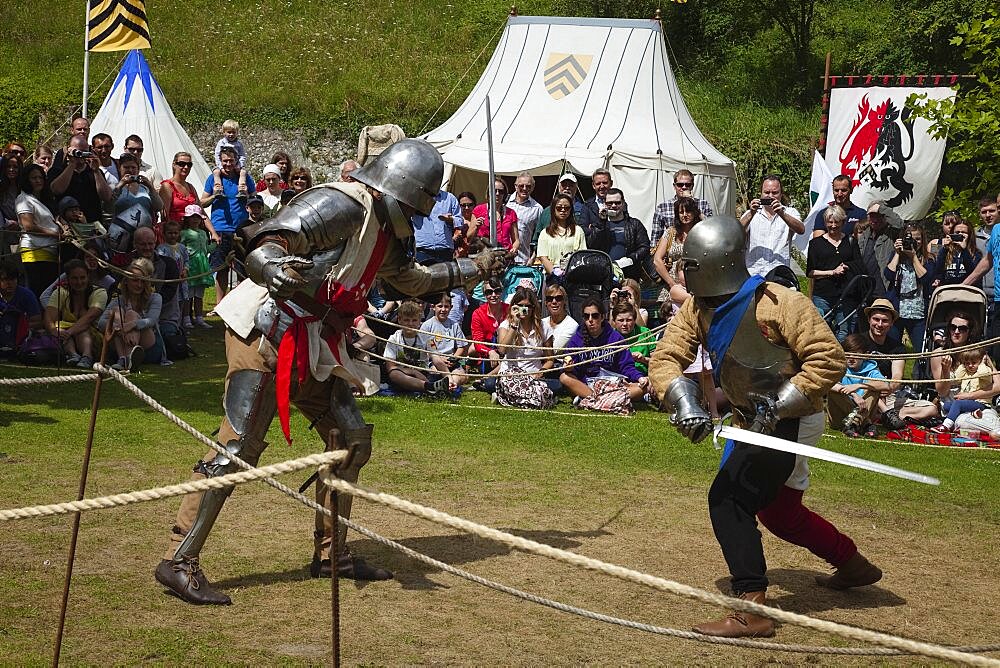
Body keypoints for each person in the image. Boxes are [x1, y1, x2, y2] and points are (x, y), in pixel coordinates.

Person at [154, 139, 506, 605]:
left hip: (315, 340)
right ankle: (180, 559)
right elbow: (265, 238)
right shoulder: (341, 203)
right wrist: (272, 266)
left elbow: (414, 281)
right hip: (267, 331)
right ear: (399, 190)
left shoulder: (384, 227)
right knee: (239, 446)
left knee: (349, 438)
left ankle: (331, 554)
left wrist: (474, 266)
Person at [649, 214, 881, 639]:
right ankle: (852, 564)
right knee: (778, 510)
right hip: (748, 418)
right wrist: (682, 401)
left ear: (717, 262)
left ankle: (750, 607)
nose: (687, 274)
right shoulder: (697, 309)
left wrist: (780, 403)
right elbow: (665, 359)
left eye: (693, 266)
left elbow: (827, 358)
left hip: (796, 414)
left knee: (729, 499)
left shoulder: (780, 303)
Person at [559, 298, 649, 403]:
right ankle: (602, 400)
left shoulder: (615, 338)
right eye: (586, 316)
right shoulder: (576, 340)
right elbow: (572, 370)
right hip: (587, 386)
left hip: (612, 385)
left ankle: (593, 400)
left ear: (602, 317)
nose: (590, 320)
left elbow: (626, 366)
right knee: (564, 377)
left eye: (595, 316)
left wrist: (639, 377)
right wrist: (569, 368)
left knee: (643, 387)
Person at [201, 146, 254, 299]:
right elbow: (202, 202)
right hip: (220, 228)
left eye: (231, 161)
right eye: (225, 161)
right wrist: (214, 197)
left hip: (241, 229)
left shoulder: (245, 178)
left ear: (237, 161)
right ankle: (219, 304)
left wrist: (246, 196)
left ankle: (240, 303)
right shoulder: (213, 179)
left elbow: (255, 199)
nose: (228, 164)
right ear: (220, 161)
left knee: (242, 268)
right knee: (221, 268)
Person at [806, 205, 861, 342]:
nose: (833, 225)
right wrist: (832, 272)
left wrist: (847, 266)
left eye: (837, 222)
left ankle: (840, 360)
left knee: (844, 332)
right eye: (830, 222)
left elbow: (859, 265)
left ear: (843, 222)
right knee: (820, 332)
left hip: (845, 295)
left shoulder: (851, 241)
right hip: (822, 296)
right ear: (825, 223)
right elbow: (810, 272)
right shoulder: (815, 244)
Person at [494, 287, 558, 402]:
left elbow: (550, 359)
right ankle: (533, 396)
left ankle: (510, 396)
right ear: (513, 306)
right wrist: (514, 325)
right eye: (520, 305)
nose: (524, 309)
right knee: (493, 383)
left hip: (534, 375)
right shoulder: (506, 325)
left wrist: (540, 372)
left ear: (533, 308)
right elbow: (502, 350)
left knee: (558, 385)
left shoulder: (543, 327)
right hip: (510, 374)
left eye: (528, 306)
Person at [98, 257, 162, 371]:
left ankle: (125, 360)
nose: (139, 285)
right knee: (117, 311)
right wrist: (119, 329)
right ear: (126, 281)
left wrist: (131, 325)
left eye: (142, 281)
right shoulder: (118, 300)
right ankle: (124, 358)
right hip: (121, 344)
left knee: (131, 314)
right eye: (135, 280)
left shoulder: (155, 298)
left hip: (149, 346)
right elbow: (101, 323)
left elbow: (151, 320)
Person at [44, 258, 108, 368]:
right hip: (66, 337)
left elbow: (90, 317)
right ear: (68, 279)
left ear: (88, 277)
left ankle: (87, 356)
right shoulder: (61, 292)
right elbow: (49, 316)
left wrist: (69, 332)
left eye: (82, 278)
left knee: (82, 328)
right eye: (74, 278)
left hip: (94, 339)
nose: (79, 282)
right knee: (59, 327)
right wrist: (54, 330)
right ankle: (73, 355)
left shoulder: (100, 292)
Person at [828, 333, 890, 438]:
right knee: (834, 390)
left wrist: (859, 385)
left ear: (865, 355)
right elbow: (828, 384)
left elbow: (885, 385)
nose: (851, 358)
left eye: (856, 354)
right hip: (840, 418)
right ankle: (863, 423)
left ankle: (854, 424)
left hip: (863, 411)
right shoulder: (839, 366)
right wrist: (853, 394)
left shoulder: (870, 368)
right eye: (848, 354)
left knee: (873, 388)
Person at [741, 175, 804, 279]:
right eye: (766, 192)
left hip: (779, 274)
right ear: (761, 193)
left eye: (775, 193)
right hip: (754, 273)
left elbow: (801, 230)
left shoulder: (790, 212)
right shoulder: (751, 213)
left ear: (781, 194)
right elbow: (736, 232)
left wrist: (781, 214)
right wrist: (751, 213)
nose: (770, 196)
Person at [384, 300, 451, 394]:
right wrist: (413, 372)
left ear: (420, 321)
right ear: (399, 320)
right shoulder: (393, 339)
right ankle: (430, 388)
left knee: (437, 373)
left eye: (414, 320)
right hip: (403, 374)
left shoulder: (427, 337)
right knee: (394, 374)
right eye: (407, 320)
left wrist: (449, 378)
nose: (410, 324)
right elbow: (390, 367)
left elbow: (436, 359)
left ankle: (432, 387)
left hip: (423, 375)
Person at [885, 222, 933, 348]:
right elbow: (889, 275)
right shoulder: (895, 256)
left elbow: (926, 278)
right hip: (897, 312)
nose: (914, 242)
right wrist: (897, 253)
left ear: (922, 241)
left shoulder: (928, 259)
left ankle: (919, 369)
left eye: (918, 239)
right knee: (892, 350)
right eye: (910, 238)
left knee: (922, 351)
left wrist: (914, 257)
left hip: (918, 313)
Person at [16, 163, 61, 296]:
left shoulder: (44, 199)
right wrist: (56, 234)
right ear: (26, 180)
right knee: (37, 293)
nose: (38, 181)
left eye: (40, 177)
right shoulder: (23, 199)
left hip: (50, 250)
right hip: (34, 251)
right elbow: (28, 226)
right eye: (33, 178)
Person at [586, 188, 650, 281]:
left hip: (629, 274)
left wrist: (631, 259)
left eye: (617, 203)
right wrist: (601, 223)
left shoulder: (634, 224)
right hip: (605, 274)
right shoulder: (599, 224)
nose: (613, 205)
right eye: (610, 203)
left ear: (623, 203)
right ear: (604, 204)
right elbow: (591, 245)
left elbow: (645, 247)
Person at [48, 135, 113, 226]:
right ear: (69, 150)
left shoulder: (94, 171)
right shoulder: (58, 170)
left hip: (92, 225)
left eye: (84, 151)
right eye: (78, 151)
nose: (81, 155)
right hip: (67, 227)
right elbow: (56, 190)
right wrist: (72, 164)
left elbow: (107, 197)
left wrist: (96, 171)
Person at [653, 196, 702, 304]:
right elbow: (657, 260)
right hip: (671, 286)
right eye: (681, 212)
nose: (685, 215)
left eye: (688, 211)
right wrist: (671, 283)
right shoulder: (671, 232)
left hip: (697, 286)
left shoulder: (702, 232)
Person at [933, 347, 994, 433]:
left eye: (974, 363)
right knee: (946, 406)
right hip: (969, 403)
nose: (970, 365)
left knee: (958, 404)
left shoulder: (985, 371)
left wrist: (982, 363)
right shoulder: (966, 372)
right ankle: (972, 413)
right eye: (967, 363)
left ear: (980, 361)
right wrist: (963, 364)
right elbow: (956, 378)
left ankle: (946, 425)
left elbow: (984, 373)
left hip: (980, 402)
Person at [649, 169, 715, 248]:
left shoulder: (703, 204)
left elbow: (711, 228)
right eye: (680, 185)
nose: (684, 187)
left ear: (692, 186)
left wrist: (693, 204)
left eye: (687, 185)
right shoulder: (662, 208)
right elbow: (655, 239)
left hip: (698, 249)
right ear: (674, 186)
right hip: (672, 252)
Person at [420, 292, 469, 390]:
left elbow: (461, 346)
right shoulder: (427, 325)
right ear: (433, 307)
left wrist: (454, 358)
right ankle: (448, 384)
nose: (443, 309)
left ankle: (449, 385)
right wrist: (440, 358)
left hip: (452, 361)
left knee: (462, 375)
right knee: (434, 373)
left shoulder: (454, 325)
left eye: (446, 306)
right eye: (440, 306)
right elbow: (429, 347)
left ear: (451, 307)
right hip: (434, 361)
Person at [535, 193, 586, 281]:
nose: (563, 210)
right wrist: (555, 273)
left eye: (567, 208)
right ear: (553, 209)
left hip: (573, 276)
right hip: (551, 276)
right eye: (559, 208)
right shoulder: (545, 233)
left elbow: (582, 255)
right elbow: (543, 257)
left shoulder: (578, 230)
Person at [858, 201, 903, 298]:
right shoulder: (864, 235)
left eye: (878, 215)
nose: (874, 219)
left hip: (882, 288)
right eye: (871, 215)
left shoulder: (892, 233)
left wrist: (881, 209)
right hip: (863, 288)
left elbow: (899, 223)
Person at [531, 173, 588, 250]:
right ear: (559, 187)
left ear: (576, 187)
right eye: (564, 185)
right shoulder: (547, 212)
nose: (567, 188)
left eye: (571, 185)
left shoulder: (584, 210)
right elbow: (536, 239)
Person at [180, 205, 214, 329]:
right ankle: (186, 318)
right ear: (187, 219)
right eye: (192, 217)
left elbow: (206, 250)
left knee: (199, 295)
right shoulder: (184, 233)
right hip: (190, 266)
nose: (195, 220)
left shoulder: (204, 233)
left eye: (198, 217)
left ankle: (200, 318)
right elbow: (181, 249)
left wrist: (215, 244)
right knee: (188, 295)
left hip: (202, 266)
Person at [158, 152, 209, 233]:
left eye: (189, 165)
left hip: (193, 234)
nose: (186, 167)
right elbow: (165, 216)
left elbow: (202, 212)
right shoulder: (167, 186)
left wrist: (213, 232)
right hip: (175, 235)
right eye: (182, 164)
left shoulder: (191, 187)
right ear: (174, 164)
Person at [859, 299, 905, 386]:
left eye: (885, 321)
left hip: (887, 390)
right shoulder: (857, 342)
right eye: (876, 319)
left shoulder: (897, 347)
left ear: (892, 323)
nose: (880, 324)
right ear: (869, 319)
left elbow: (897, 375)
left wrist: (889, 387)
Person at [0, 261, 42, 355]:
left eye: (13, 279)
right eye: (5, 279)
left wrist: (19, 327)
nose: (9, 283)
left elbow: (38, 321)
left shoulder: (26, 295)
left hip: (21, 337)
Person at [411, 189, 461, 265]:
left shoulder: (450, 198)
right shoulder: (415, 196)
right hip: (422, 250)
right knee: (422, 275)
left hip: (445, 250)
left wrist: (450, 219)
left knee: (446, 276)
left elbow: (459, 220)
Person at [470, 277, 509, 369]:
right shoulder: (478, 313)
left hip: (507, 349)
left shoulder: (510, 310)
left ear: (502, 292)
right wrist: (489, 352)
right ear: (484, 295)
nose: (493, 295)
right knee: (471, 349)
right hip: (487, 350)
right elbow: (478, 342)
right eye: (489, 292)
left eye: (497, 291)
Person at [473, 178, 519, 256]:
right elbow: (469, 237)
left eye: (500, 191)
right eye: (494, 191)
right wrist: (476, 227)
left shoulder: (511, 213)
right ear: (489, 192)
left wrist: (514, 248)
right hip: (484, 256)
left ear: (504, 194)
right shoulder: (478, 210)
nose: (497, 194)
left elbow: (516, 240)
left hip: (505, 256)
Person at [506, 172, 543, 265]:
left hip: (523, 260)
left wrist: (533, 258)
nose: (524, 189)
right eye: (521, 186)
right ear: (515, 186)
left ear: (533, 187)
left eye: (528, 186)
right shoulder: (504, 203)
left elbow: (541, 237)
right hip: (501, 258)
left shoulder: (537, 209)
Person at [611, 302, 656, 374]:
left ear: (635, 320)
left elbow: (658, 362)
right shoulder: (609, 337)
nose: (625, 324)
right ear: (614, 322)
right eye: (621, 320)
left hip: (643, 377)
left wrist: (643, 359)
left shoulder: (645, 333)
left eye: (629, 320)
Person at [541, 283, 577, 352]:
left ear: (564, 301)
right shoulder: (542, 322)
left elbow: (554, 351)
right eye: (550, 299)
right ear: (545, 303)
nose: (554, 302)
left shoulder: (572, 325)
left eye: (558, 298)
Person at [453, 191, 478, 258]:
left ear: (474, 205)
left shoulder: (479, 219)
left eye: (470, 205)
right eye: (463, 205)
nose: (466, 208)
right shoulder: (455, 221)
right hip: (460, 256)